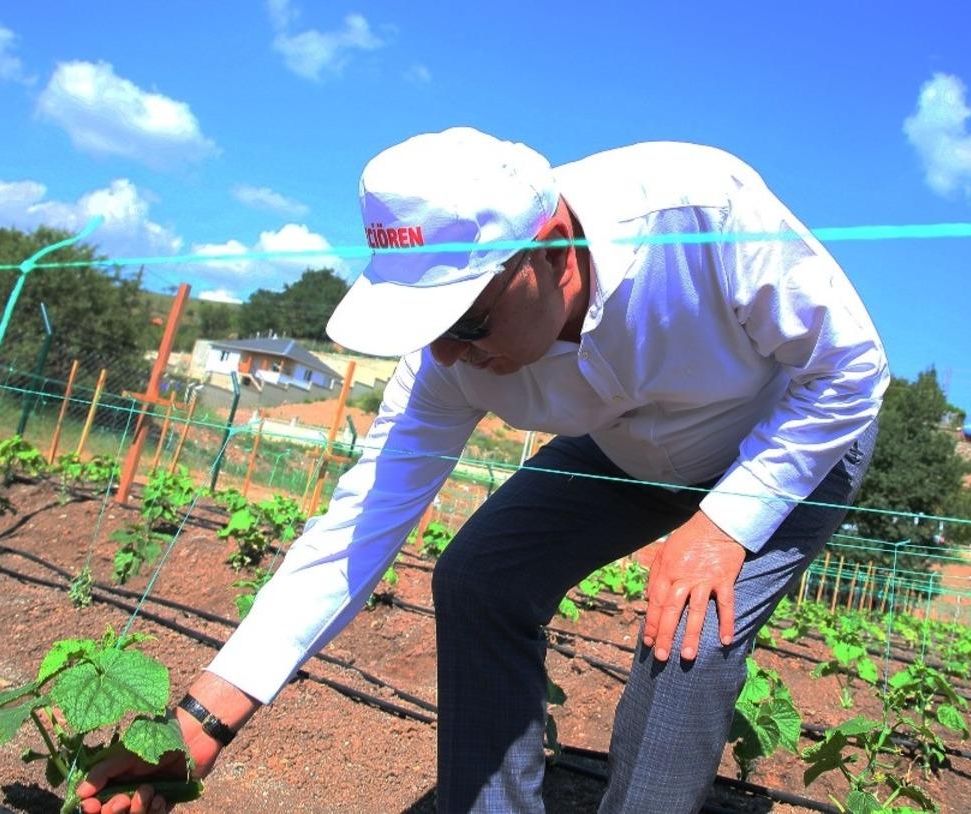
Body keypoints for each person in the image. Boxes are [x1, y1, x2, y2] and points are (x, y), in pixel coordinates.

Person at [79, 127, 888, 814]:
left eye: (465, 318)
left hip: (793, 439)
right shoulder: (450, 359)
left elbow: (849, 370)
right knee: (479, 578)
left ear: (555, 254)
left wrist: (720, 526)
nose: (449, 354)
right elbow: (352, 533)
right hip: (627, 450)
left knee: (691, 629)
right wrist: (204, 721)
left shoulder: (699, 207)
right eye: (425, 327)